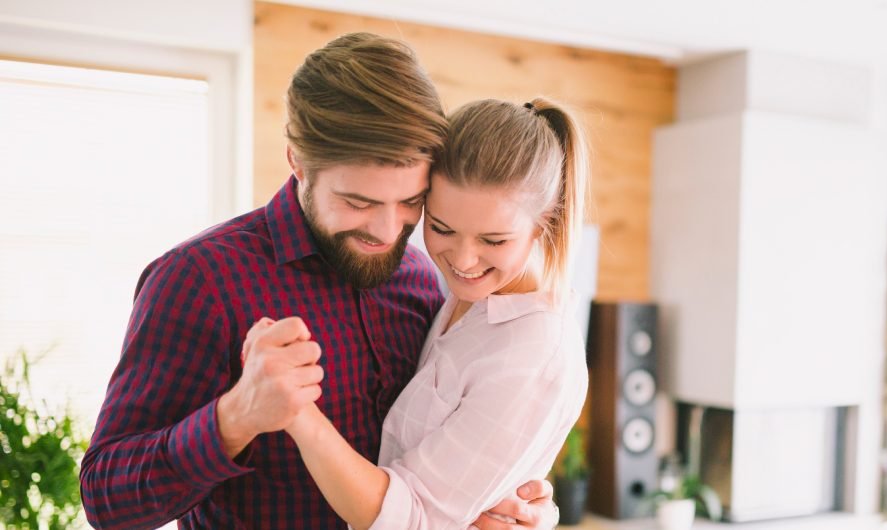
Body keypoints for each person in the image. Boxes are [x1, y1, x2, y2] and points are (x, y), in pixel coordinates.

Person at [80, 33, 558, 530]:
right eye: (358, 202)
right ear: (298, 162)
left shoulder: (424, 282)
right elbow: (105, 501)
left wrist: (512, 504)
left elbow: (431, 479)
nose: (387, 231)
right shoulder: (200, 280)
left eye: (411, 202)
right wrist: (234, 418)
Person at [244, 96, 590, 529]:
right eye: (441, 227)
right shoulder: (458, 297)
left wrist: (298, 410)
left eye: (494, 240)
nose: (462, 260)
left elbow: (411, 519)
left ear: (544, 224)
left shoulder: (535, 350)